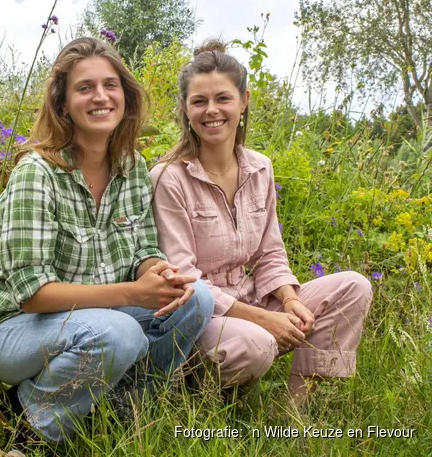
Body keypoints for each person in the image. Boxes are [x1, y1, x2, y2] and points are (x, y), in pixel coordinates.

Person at [0, 37, 214, 443]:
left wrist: (157, 271)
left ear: (126, 96)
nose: (100, 97)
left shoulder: (131, 166)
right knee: (120, 333)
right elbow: (33, 295)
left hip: (96, 321)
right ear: (63, 104)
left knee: (197, 298)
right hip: (15, 330)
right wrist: (132, 293)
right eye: (85, 88)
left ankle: (122, 408)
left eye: (110, 85)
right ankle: (29, 423)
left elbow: (143, 248)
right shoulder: (37, 173)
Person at [150, 40, 372, 404]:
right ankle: (198, 392)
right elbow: (185, 281)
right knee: (256, 343)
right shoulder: (168, 178)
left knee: (354, 286)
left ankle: (293, 411)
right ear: (185, 109)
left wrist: (288, 300)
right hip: (200, 317)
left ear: (244, 101)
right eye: (199, 101)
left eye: (223, 98)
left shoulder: (259, 167)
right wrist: (262, 320)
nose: (211, 111)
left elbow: (270, 251)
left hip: (249, 296)